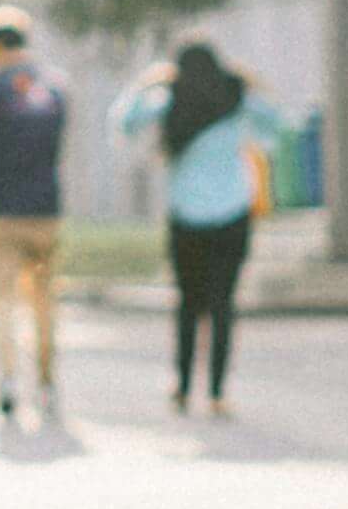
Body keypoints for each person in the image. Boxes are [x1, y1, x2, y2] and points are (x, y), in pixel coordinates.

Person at [115, 36, 288, 415]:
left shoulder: (170, 102)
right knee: (223, 304)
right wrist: (253, 81)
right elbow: (276, 123)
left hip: (186, 218)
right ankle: (217, 392)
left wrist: (146, 84)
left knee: (188, 305)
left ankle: (181, 385)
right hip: (232, 215)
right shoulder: (236, 98)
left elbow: (124, 121)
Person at [0, 5, 71, 423]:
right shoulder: (54, 86)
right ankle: (47, 380)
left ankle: (7, 379)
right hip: (46, 209)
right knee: (43, 299)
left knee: (2, 300)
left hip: (3, 210)